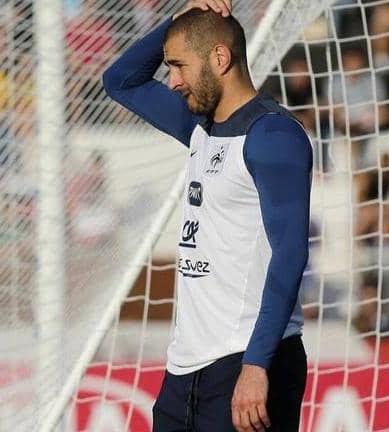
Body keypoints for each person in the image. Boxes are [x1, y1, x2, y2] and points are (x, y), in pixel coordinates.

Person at [103, 1, 311, 431]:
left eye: (179, 66)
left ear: (219, 57)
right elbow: (120, 80)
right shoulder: (200, 125)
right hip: (185, 372)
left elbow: (290, 256)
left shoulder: (272, 135)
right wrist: (180, 17)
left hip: (250, 364)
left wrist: (257, 364)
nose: (172, 82)